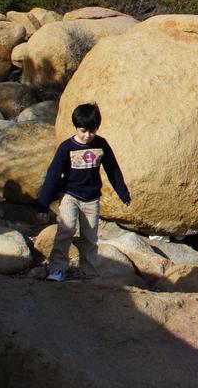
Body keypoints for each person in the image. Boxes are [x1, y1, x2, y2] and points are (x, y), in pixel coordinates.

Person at [35, 102, 131, 281]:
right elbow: (53, 175)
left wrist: (123, 193)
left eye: (92, 131)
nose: (87, 135)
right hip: (69, 195)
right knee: (66, 229)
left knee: (90, 237)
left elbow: (113, 169)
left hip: (92, 198)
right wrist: (43, 204)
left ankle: (89, 273)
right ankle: (57, 269)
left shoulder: (101, 145)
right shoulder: (66, 147)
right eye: (83, 130)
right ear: (76, 127)